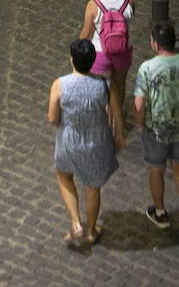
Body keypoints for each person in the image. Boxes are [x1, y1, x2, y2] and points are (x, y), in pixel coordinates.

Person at [48, 38, 123, 248]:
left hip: (69, 140)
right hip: (97, 141)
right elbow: (116, 112)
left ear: (72, 60)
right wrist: (120, 134)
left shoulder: (60, 85)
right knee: (92, 186)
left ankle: (75, 223)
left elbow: (52, 118)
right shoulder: (103, 84)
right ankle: (91, 230)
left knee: (64, 177)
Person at [134, 20, 179, 230]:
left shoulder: (147, 68)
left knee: (156, 169)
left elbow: (139, 104)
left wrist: (140, 124)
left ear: (155, 44)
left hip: (155, 129)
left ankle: (160, 212)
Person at [79, 0, 135, 106]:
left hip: (99, 54)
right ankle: (115, 118)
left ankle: (101, 114)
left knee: (97, 89)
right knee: (119, 86)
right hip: (122, 53)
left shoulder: (93, 4)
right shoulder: (128, 4)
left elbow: (86, 33)